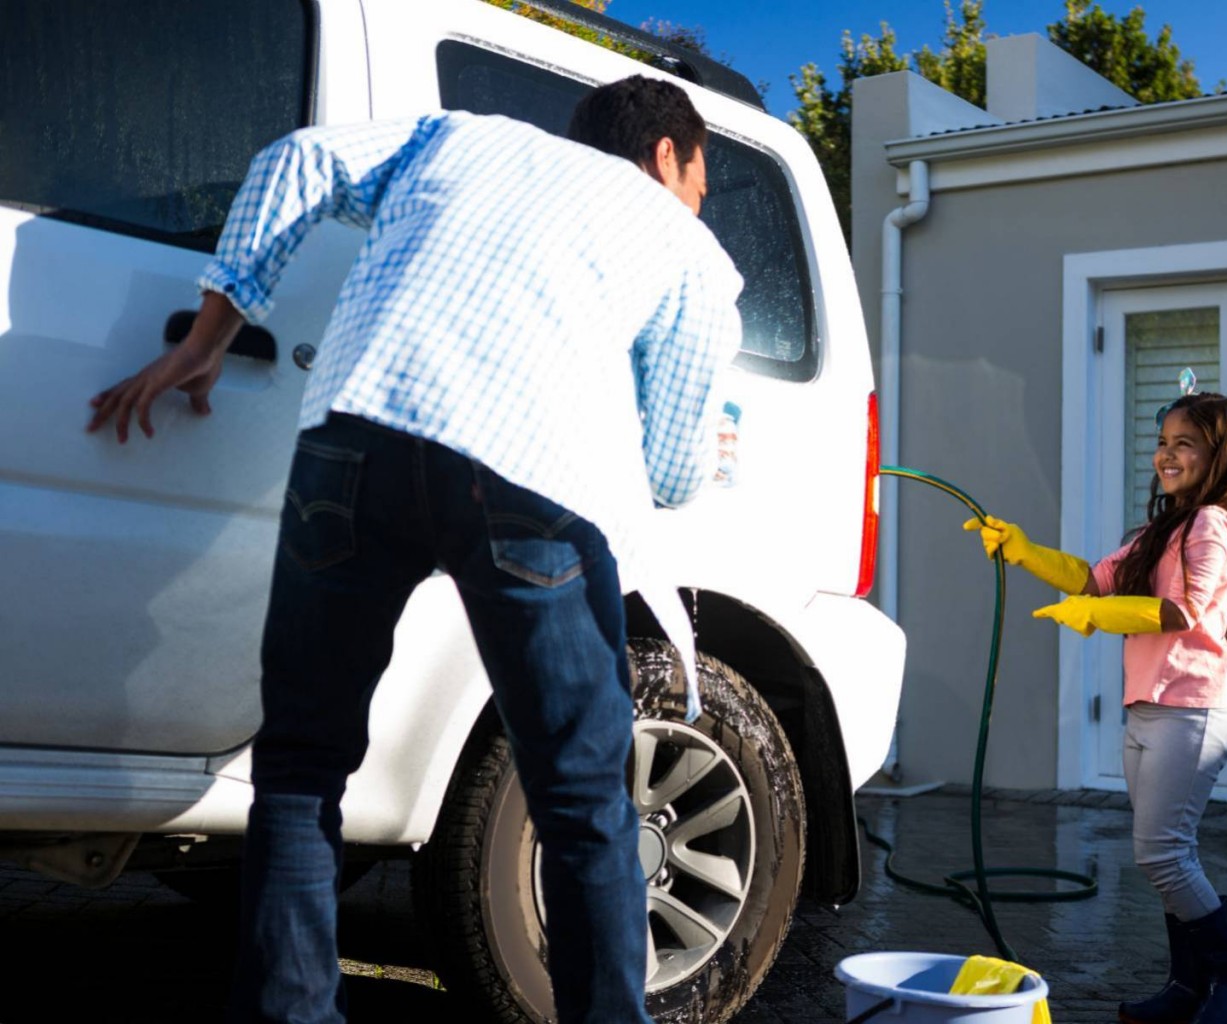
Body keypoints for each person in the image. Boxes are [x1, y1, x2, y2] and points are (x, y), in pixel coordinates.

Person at [85, 74, 742, 1024]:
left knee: (303, 762)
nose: (695, 201)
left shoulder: (464, 137)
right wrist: (701, 449)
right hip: (532, 477)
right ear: (668, 156)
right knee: (582, 799)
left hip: (358, 431)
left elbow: (300, 159)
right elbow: (674, 470)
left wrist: (214, 331)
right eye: (700, 180)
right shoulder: (682, 241)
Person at [965, 389, 1227, 1024]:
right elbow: (1092, 579)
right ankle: (1188, 989)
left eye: (1184, 444)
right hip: (1149, 711)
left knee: (1163, 853)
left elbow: (1177, 611)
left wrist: (1096, 618)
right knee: (1168, 858)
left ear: (1221, 455)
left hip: (1193, 711)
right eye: (1163, 443)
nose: (1166, 454)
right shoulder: (1164, 528)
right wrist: (1023, 549)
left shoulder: (1213, 523)